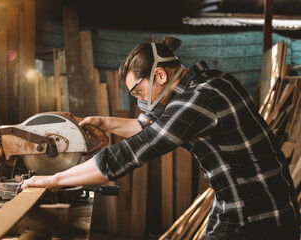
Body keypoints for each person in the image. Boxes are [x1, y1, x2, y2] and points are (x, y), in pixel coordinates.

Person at [21, 36, 300, 239]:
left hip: (259, 218)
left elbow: (134, 151)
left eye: (139, 93)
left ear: (159, 75)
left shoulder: (199, 100)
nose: (140, 101)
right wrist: (105, 123)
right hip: (240, 205)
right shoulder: (211, 81)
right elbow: (150, 128)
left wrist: (53, 180)